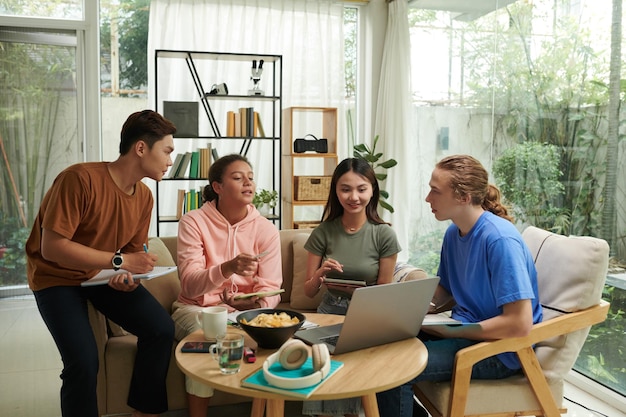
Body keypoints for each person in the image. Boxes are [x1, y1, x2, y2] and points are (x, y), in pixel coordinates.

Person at [25, 110, 177, 417]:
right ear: (141, 148)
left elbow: (130, 262)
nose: (170, 160)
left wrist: (128, 275)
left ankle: (144, 412)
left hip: (99, 277)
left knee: (161, 329)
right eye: (167, 151)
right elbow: (52, 247)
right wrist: (119, 261)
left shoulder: (144, 197)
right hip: (55, 278)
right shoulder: (79, 179)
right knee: (83, 361)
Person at [376, 154, 543, 417]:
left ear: (463, 198)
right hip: (464, 333)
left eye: (435, 191)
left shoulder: (499, 240)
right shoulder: (455, 233)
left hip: (499, 350)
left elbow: (519, 324)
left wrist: (455, 332)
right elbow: (447, 293)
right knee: (380, 346)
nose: (427, 199)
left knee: (396, 366)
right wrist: (404, 308)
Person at [171, 153, 282, 417]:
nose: (248, 183)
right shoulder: (193, 222)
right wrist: (227, 268)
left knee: (276, 332)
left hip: (245, 314)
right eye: (238, 177)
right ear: (218, 186)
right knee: (209, 333)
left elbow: (272, 285)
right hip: (195, 309)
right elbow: (189, 285)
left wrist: (257, 304)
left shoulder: (265, 229)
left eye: (251, 178)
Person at [302, 157, 402, 417]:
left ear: (372, 190)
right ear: (336, 191)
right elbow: (309, 291)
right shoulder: (323, 232)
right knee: (320, 363)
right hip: (328, 312)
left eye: (361, 188)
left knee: (351, 372)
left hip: (364, 315)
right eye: (345, 189)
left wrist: (357, 293)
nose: (353, 196)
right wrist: (321, 274)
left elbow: (384, 293)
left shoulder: (384, 234)